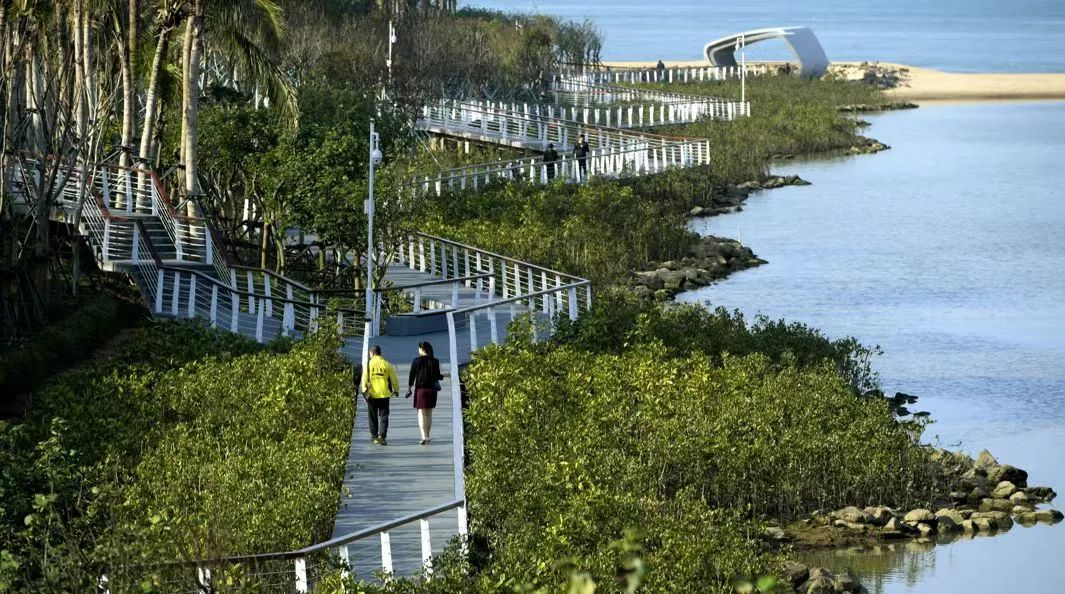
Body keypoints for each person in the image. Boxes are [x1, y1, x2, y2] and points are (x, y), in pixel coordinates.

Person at [407, 341, 444, 445]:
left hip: (421, 390)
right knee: (429, 414)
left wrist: (409, 388)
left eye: (419, 348)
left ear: (421, 349)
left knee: (421, 414)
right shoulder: (435, 361)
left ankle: (423, 436)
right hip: (432, 391)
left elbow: (412, 376)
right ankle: (427, 436)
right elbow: (438, 376)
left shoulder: (416, 361)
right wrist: (443, 376)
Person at [362, 345, 399, 445]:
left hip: (372, 394)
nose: (370, 356)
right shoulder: (387, 364)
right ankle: (382, 436)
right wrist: (396, 390)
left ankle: (374, 437)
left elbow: (364, 379)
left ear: (373, 353)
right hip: (384, 394)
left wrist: (364, 391)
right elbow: (394, 379)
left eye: (370, 354)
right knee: (384, 416)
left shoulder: (368, 365)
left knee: (372, 416)